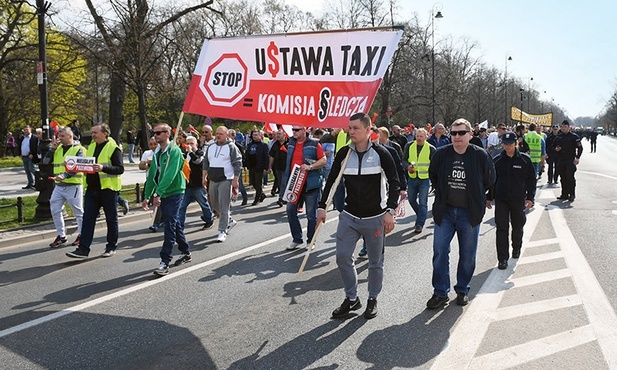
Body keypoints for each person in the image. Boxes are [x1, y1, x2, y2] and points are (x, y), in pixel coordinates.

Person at [317, 112, 400, 320]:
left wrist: (390, 211)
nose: (351, 131)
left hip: (376, 217)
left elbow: (395, 182)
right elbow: (332, 182)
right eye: (349, 128)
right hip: (349, 216)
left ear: (368, 130)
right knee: (342, 257)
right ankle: (352, 299)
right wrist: (322, 206)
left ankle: (372, 298)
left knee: (375, 262)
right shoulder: (344, 154)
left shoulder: (382, 153)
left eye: (355, 128)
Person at [426, 118, 495, 309]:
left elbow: (490, 179)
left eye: (461, 133)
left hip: (469, 213)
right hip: (445, 212)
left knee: (467, 254)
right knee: (440, 251)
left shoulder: (480, 155)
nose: (457, 137)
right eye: (454, 133)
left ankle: (462, 289)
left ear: (470, 134)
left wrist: (480, 198)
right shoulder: (441, 154)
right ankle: (440, 292)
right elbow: (434, 175)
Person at [66, 123, 124, 259]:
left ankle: (111, 247)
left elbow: (120, 169)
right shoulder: (91, 147)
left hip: (108, 189)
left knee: (111, 220)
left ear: (105, 133)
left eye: (95, 132)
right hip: (92, 189)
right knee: (88, 220)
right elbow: (87, 165)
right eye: (92, 132)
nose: (93, 135)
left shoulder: (113, 148)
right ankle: (83, 249)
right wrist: (74, 166)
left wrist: (103, 168)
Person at [142, 123, 192, 275]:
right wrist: (147, 195)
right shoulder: (157, 153)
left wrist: (158, 194)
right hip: (163, 192)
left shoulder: (174, 151)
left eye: (159, 133)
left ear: (167, 134)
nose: (155, 135)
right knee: (174, 223)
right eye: (154, 132)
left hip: (175, 192)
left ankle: (165, 261)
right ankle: (185, 251)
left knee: (169, 224)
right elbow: (152, 176)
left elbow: (170, 175)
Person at [486, 131, 537, 269]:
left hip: (518, 199)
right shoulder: (497, 160)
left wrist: (530, 197)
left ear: (516, 143)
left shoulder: (524, 160)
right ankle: (502, 258)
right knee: (501, 228)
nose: (507, 146)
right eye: (505, 144)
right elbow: (492, 181)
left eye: (510, 144)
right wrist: (489, 197)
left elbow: (531, 180)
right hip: (501, 199)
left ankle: (516, 247)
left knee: (518, 225)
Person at [282, 125, 326, 250]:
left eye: (297, 130)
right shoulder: (290, 142)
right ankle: (297, 239)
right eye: (293, 130)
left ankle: (311, 240)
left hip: (310, 185)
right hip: (294, 184)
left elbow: (323, 160)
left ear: (305, 130)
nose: (294, 132)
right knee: (290, 211)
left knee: (311, 215)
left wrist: (310, 167)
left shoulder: (314, 143)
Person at [203, 126, 243, 242]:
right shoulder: (211, 147)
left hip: (226, 179)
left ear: (226, 135)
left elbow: (237, 163)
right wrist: (204, 177)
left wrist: (235, 180)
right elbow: (206, 162)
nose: (218, 135)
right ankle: (229, 220)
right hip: (213, 179)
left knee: (223, 206)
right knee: (214, 205)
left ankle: (222, 230)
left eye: (221, 133)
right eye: (217, 133)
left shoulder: (231, 147)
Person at [46, 127, 85, 248]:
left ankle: (82, 234)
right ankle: (61, 235)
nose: (59, 138)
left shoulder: (78, 149)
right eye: (59, 136)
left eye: (62, 136)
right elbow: (45, 161)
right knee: (55, 209)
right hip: (59, 186)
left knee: (78, 212)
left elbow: (79, 166)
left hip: (73, 185)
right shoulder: (57, 149)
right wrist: (52, 149)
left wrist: (64, 175)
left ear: (70, 136)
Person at [402, 128, 436, 233]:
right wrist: (407, 167)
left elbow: (434, 165)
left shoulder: (431, 148)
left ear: (426, 137)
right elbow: (404, 160)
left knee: (423, 202)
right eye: (417, 136)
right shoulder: (409, 146)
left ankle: (419, 224)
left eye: (421, 136)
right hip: (412, 177)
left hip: (424, 179)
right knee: (411, 200)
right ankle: (421, 214)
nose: (419, 138)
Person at [178, 135, 214, 231]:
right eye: (188, 143)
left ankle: (209, 219)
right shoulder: (184, 155)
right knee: (182, 206)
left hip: (198, 185)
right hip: (187, 185)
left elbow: (198, 161)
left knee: (204, 204)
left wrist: (190, 152)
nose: (189, 145)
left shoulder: (200, 153)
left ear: (196, 144)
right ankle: (180, 225)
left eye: (192, 143)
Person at [553, 120, 583, 202]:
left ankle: (572, 194)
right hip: (561, 159)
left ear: (569, 127)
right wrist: (556, 149)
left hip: (570, 159)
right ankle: (564, 194)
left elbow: (580, 148)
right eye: (562, 127)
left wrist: (577, 157)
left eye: (565, 127)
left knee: (570, 177)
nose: (563, 128)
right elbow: (553, 146)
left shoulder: (574, 137)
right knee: (563, 177)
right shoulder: (559, 137)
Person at [246, 130, 269, 205]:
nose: (254, 137)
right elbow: (247, 155)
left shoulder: (264, 145)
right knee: (252, 182)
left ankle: (257, 199)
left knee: (258, 183)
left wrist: (266, 168)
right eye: (253, 135)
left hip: (259, 166)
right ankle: (261, 194)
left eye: (256, 135)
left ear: (260, 135)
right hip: (251, 166)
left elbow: (266, 157)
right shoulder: (250, 145)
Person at [268, 129, 288, 204]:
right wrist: (269, 167)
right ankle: (285, 197)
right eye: (277, 134)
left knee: (284, 182)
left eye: (279, 134)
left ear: (284, 135)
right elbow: (271, 156)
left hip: (287, 167)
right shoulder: (275, 144)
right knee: (280, 182)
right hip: (277, 167)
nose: (278, 135)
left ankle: (281, 198)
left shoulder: (289, 143)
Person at [18, 125, 39, 190]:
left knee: (32, 169)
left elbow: (35, 147)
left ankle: (39, 181)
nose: (25, 131)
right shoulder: (22, 138)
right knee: (27, 170)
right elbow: (20, 146)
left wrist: (32, 153)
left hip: (30, 156)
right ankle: (30, 184)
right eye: (24, 130)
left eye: (27, 129)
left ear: (30, 130)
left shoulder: (34, 138)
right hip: (24, 156)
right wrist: (20, 153)